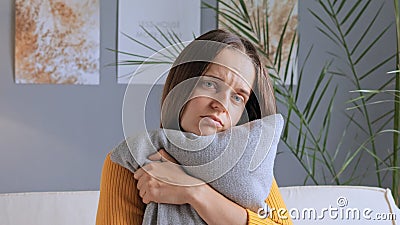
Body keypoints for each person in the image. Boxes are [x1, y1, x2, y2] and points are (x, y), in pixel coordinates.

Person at [96, 29, 293, 225]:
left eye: (237, 97)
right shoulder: (127, 161)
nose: (222, 104)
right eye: (210, 84)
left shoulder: (249, 168)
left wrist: (194, 191)